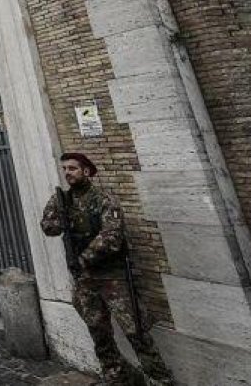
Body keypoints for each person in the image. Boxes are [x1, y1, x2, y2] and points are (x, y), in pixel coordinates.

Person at [41, 153, 174, 386]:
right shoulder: (63, 200)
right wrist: (58, 218)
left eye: (73, 168)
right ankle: (116, 377)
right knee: (99, 333)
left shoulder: (103, 199)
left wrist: (84, 258)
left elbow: (111, 236)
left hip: (113, 278)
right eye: (65, 169)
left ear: (86, 171)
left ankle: (160, 379)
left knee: (136, 332)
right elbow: (49, 228)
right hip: (85, 280)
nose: (68, 173)